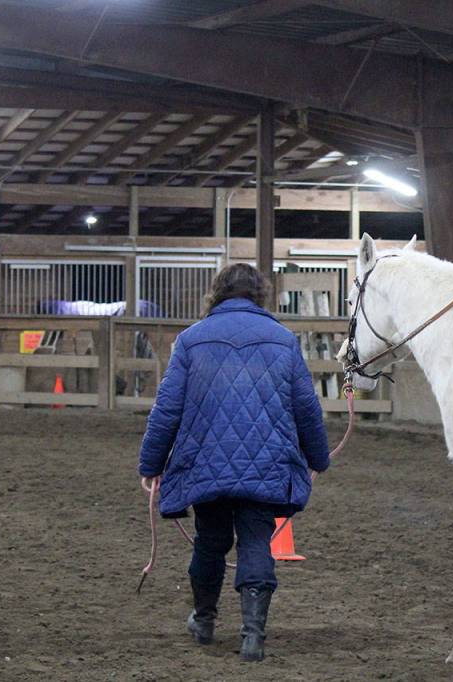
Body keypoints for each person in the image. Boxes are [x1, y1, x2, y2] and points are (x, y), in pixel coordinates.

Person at [137, 263, 329, 662]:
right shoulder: (283, 340)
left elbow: (166, 409)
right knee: (257, 542)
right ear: (260, 293)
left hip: (206, 463)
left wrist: (151, 464)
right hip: (267, 462)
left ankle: (204, 621)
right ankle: (253, 635)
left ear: (217, 292)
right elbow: (306, 407)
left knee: (210, 542)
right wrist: (318, 457)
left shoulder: (191, 341)